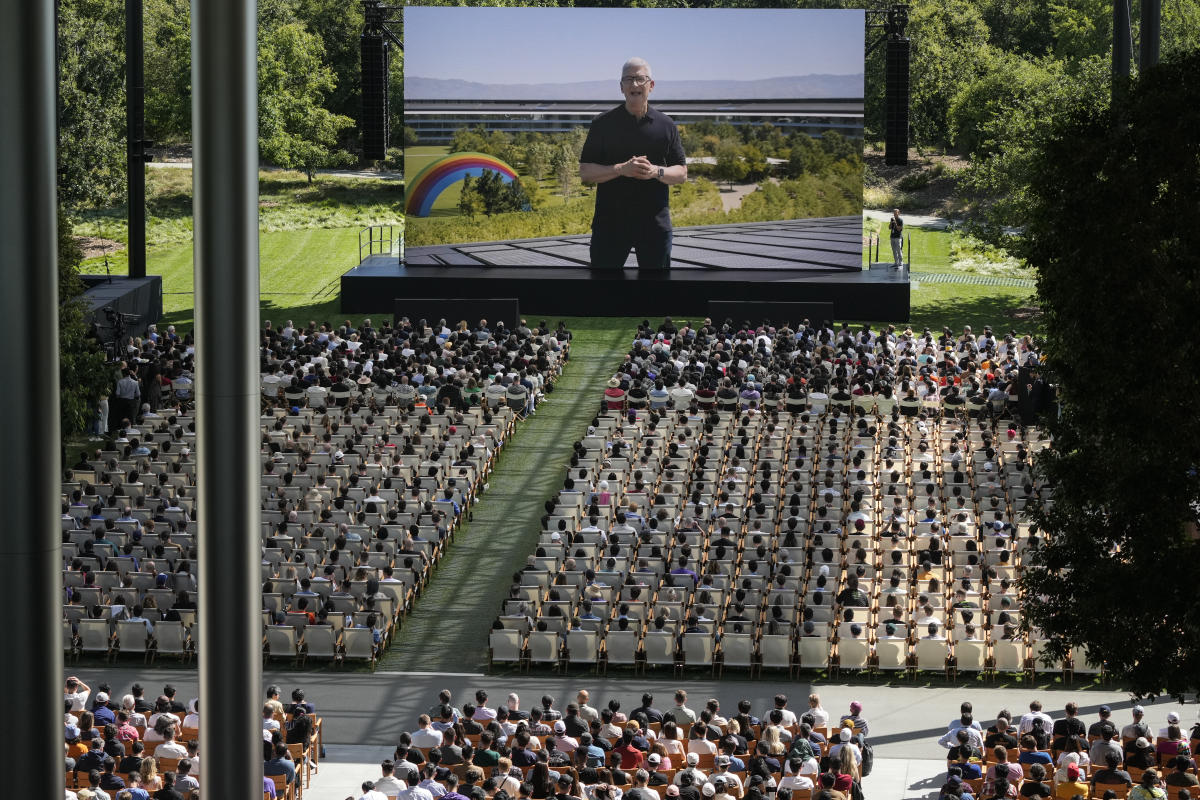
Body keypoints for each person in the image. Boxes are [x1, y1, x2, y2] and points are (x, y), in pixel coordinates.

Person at [579, 57, 687, 271]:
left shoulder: (666, 125)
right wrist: (621, 169)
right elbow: (585, 172)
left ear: (651, 85)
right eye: (628, 79)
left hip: (655, 228)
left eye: (640, 79)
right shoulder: (602, 124)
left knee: (656, 289)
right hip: (610, 227)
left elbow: (682, 173)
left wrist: (656, 171)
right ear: (621, 87)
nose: (634, 84)